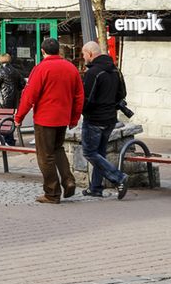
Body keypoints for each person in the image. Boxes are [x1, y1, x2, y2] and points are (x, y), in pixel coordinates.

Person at [15, 38, 83, 204]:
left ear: (43, 51)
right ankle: (68, 180)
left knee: (45, 157)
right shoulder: (71, 68)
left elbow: (29, 95)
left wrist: (19, 117)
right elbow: (79, 96)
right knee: (58, 149)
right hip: (63, 118)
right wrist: (74, 118)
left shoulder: (41, 68)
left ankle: (52, 193)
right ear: (58, 50)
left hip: (45, 119)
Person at [79, 41, 129, 199]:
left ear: (90, 53)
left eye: (84, 54)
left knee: (89, 152)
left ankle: (118, 177)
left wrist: (82, 111)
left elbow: (87, 98)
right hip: (110, 118)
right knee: (99, 153)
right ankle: (96, 188)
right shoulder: (115, 70)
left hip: (94, 119)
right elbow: (122, 93)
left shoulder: (94, 72)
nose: (83, 57)